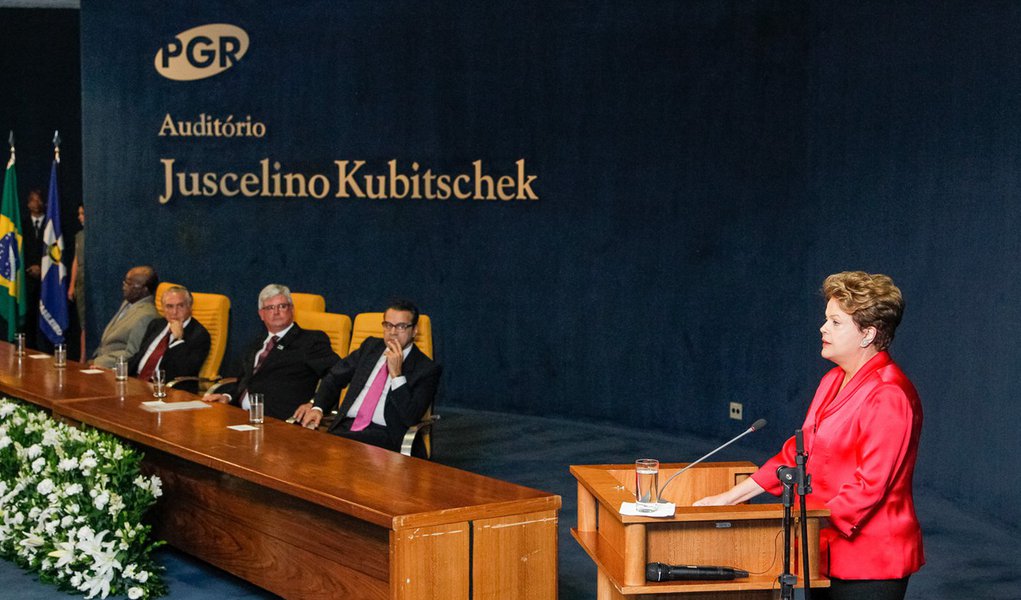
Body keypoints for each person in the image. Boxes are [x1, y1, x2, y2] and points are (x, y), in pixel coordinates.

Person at [694, 272, 923, 600]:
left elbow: (868, 488)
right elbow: (796, 457)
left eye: (835, 321)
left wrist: (798, 526)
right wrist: (728, 499)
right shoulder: (833, 380)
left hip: (871, 561)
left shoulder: (888, 393)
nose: (823, 328)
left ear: (867, 334)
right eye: (825, 319)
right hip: (823, 545)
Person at [292, 299, 441, 454]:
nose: (393, 332)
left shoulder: (427, 369)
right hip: (347, 429)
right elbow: (335, 377)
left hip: (387, 438)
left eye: (401, 326)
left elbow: (410, 416)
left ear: (415, 330)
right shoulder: (370, 347)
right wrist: (318, 407)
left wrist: (397, 375)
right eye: (388, 325)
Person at [203, 284, 337, 420]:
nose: (276, 312)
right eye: (270, 308)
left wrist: (315, 404)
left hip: (280, 421)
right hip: (241, 415)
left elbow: (336, 374)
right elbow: (246, 379)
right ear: (261, 314)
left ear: (292, 310)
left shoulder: (310, 341)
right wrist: (227, 396)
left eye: (282, 306)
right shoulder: (256, 343)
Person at [128, 285, 210, 393]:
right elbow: (140, 355)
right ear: (162, 308)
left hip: (167, 390)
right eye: (169, 306)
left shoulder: (199, 335)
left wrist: (178, 339)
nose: (174, 312)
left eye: (180, 306)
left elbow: (183, 371)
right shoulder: (156, 324)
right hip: (136, 382)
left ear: (190, 306)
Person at [91, 265, 160, 368]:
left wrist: (99, 362)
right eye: (125, 282)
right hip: (98, 361)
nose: (124, 287)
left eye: (129, 284)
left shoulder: (146, 316)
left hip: (112, 369)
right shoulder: (128, 303)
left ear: (144, 289)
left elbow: (132, 354)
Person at [21, 189, 46, 348]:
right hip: (27, 279)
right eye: (33, 200)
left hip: (46, 279)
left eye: (39, 200)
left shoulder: (51, 224)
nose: (36, 204)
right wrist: (29, 268)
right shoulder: (21, 225)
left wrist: (42, 268)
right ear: (28, 204)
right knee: (27, 319)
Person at [68, 203, 85, 361]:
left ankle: (84, 357)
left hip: (89, 280)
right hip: (79, 281)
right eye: (79, 213)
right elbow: (75, 260)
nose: (80, 217)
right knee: (81, 322)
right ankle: (81, 357)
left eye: (82, 213)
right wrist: (72, 285)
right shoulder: (79, 235)